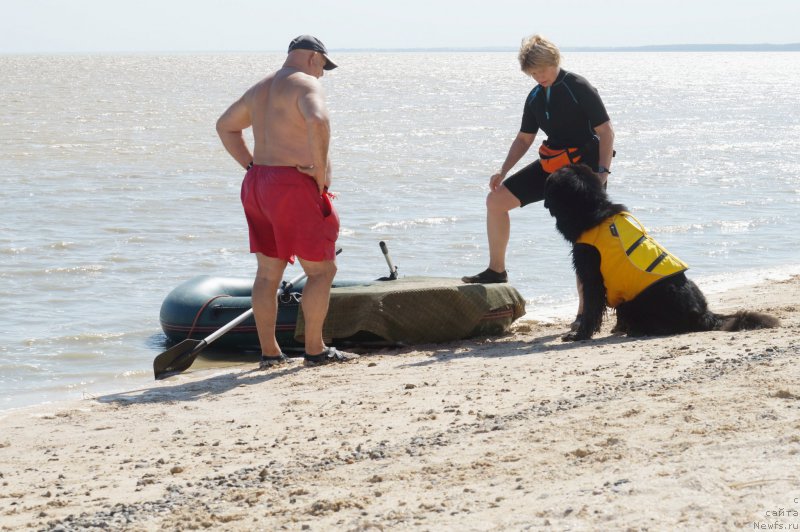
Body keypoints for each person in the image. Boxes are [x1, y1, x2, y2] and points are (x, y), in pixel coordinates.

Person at [216, 35, 356, 368]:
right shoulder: (305, 83)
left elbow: (225, 127)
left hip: (257, 184)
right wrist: (320, 172)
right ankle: (315, 350)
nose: (322, 74)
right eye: (323, 66)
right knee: (322, 271)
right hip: (292, 185)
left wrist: (251, 165)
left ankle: (270, 353)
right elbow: (318, 119)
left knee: (267, 274)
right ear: (313, 58)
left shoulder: (259, 88)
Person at [462, 34, 615, 328]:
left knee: (583, 239)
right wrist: (503, 170)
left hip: (585, 171)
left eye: (541, 70)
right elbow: (524, 138)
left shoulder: (578, 87)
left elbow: (606, 131)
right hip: (553, 165)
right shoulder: (534, 96)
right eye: (532, 73)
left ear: (554, 61)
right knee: (496, 201)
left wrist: (602, 172)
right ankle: (497, 270)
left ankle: (585, 313)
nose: (538, 76)